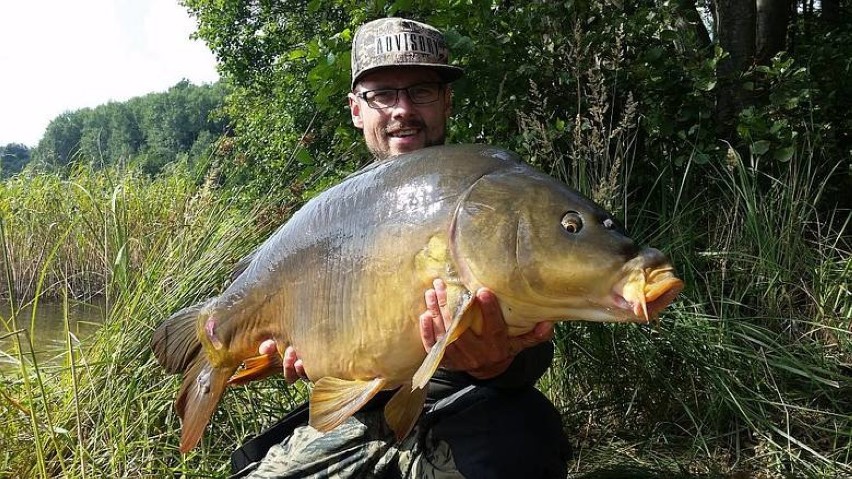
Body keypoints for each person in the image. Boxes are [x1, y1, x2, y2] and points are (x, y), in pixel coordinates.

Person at [232, 17, 571, 478]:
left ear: (446, 101)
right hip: (356, 419)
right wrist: (287, 356)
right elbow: (308, 354)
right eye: (383, 95)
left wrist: (498, 365)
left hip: (466, 410)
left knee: (527, 434)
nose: (402, 110)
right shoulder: (330, 219)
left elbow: (534, 332)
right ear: (357, 110)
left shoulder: (492, 192)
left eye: (421, 91)